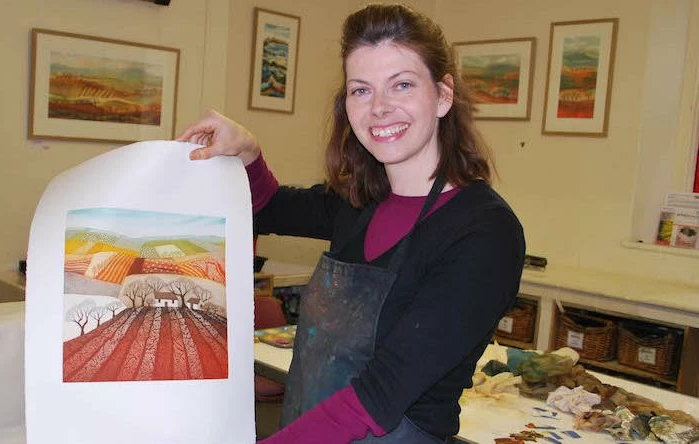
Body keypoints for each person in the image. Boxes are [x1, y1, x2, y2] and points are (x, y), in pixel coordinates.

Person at [178, 4, 524, 443]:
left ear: (442, 95)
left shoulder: (484, 234)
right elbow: (270, 207)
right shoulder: (360, 199)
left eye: (401, 84)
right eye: (361, 90)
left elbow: (381, 393)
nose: (379, 108)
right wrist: (248, 152)